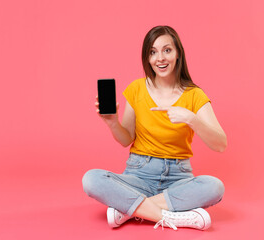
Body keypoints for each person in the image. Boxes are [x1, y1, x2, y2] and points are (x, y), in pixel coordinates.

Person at [82, 25, 227, 231]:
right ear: (147, 58)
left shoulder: (195, 95)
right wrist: (113, 122)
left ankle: (129, 209)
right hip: (139, 174)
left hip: (179, 178)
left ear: (178, 54)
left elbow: (221, 144)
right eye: (153, 52)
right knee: (91, 179)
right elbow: (126, 139)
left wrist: (191, 118)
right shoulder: (136, 89)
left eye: (167, 50)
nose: (160, 58)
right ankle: (171, 216)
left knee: (215, 187)